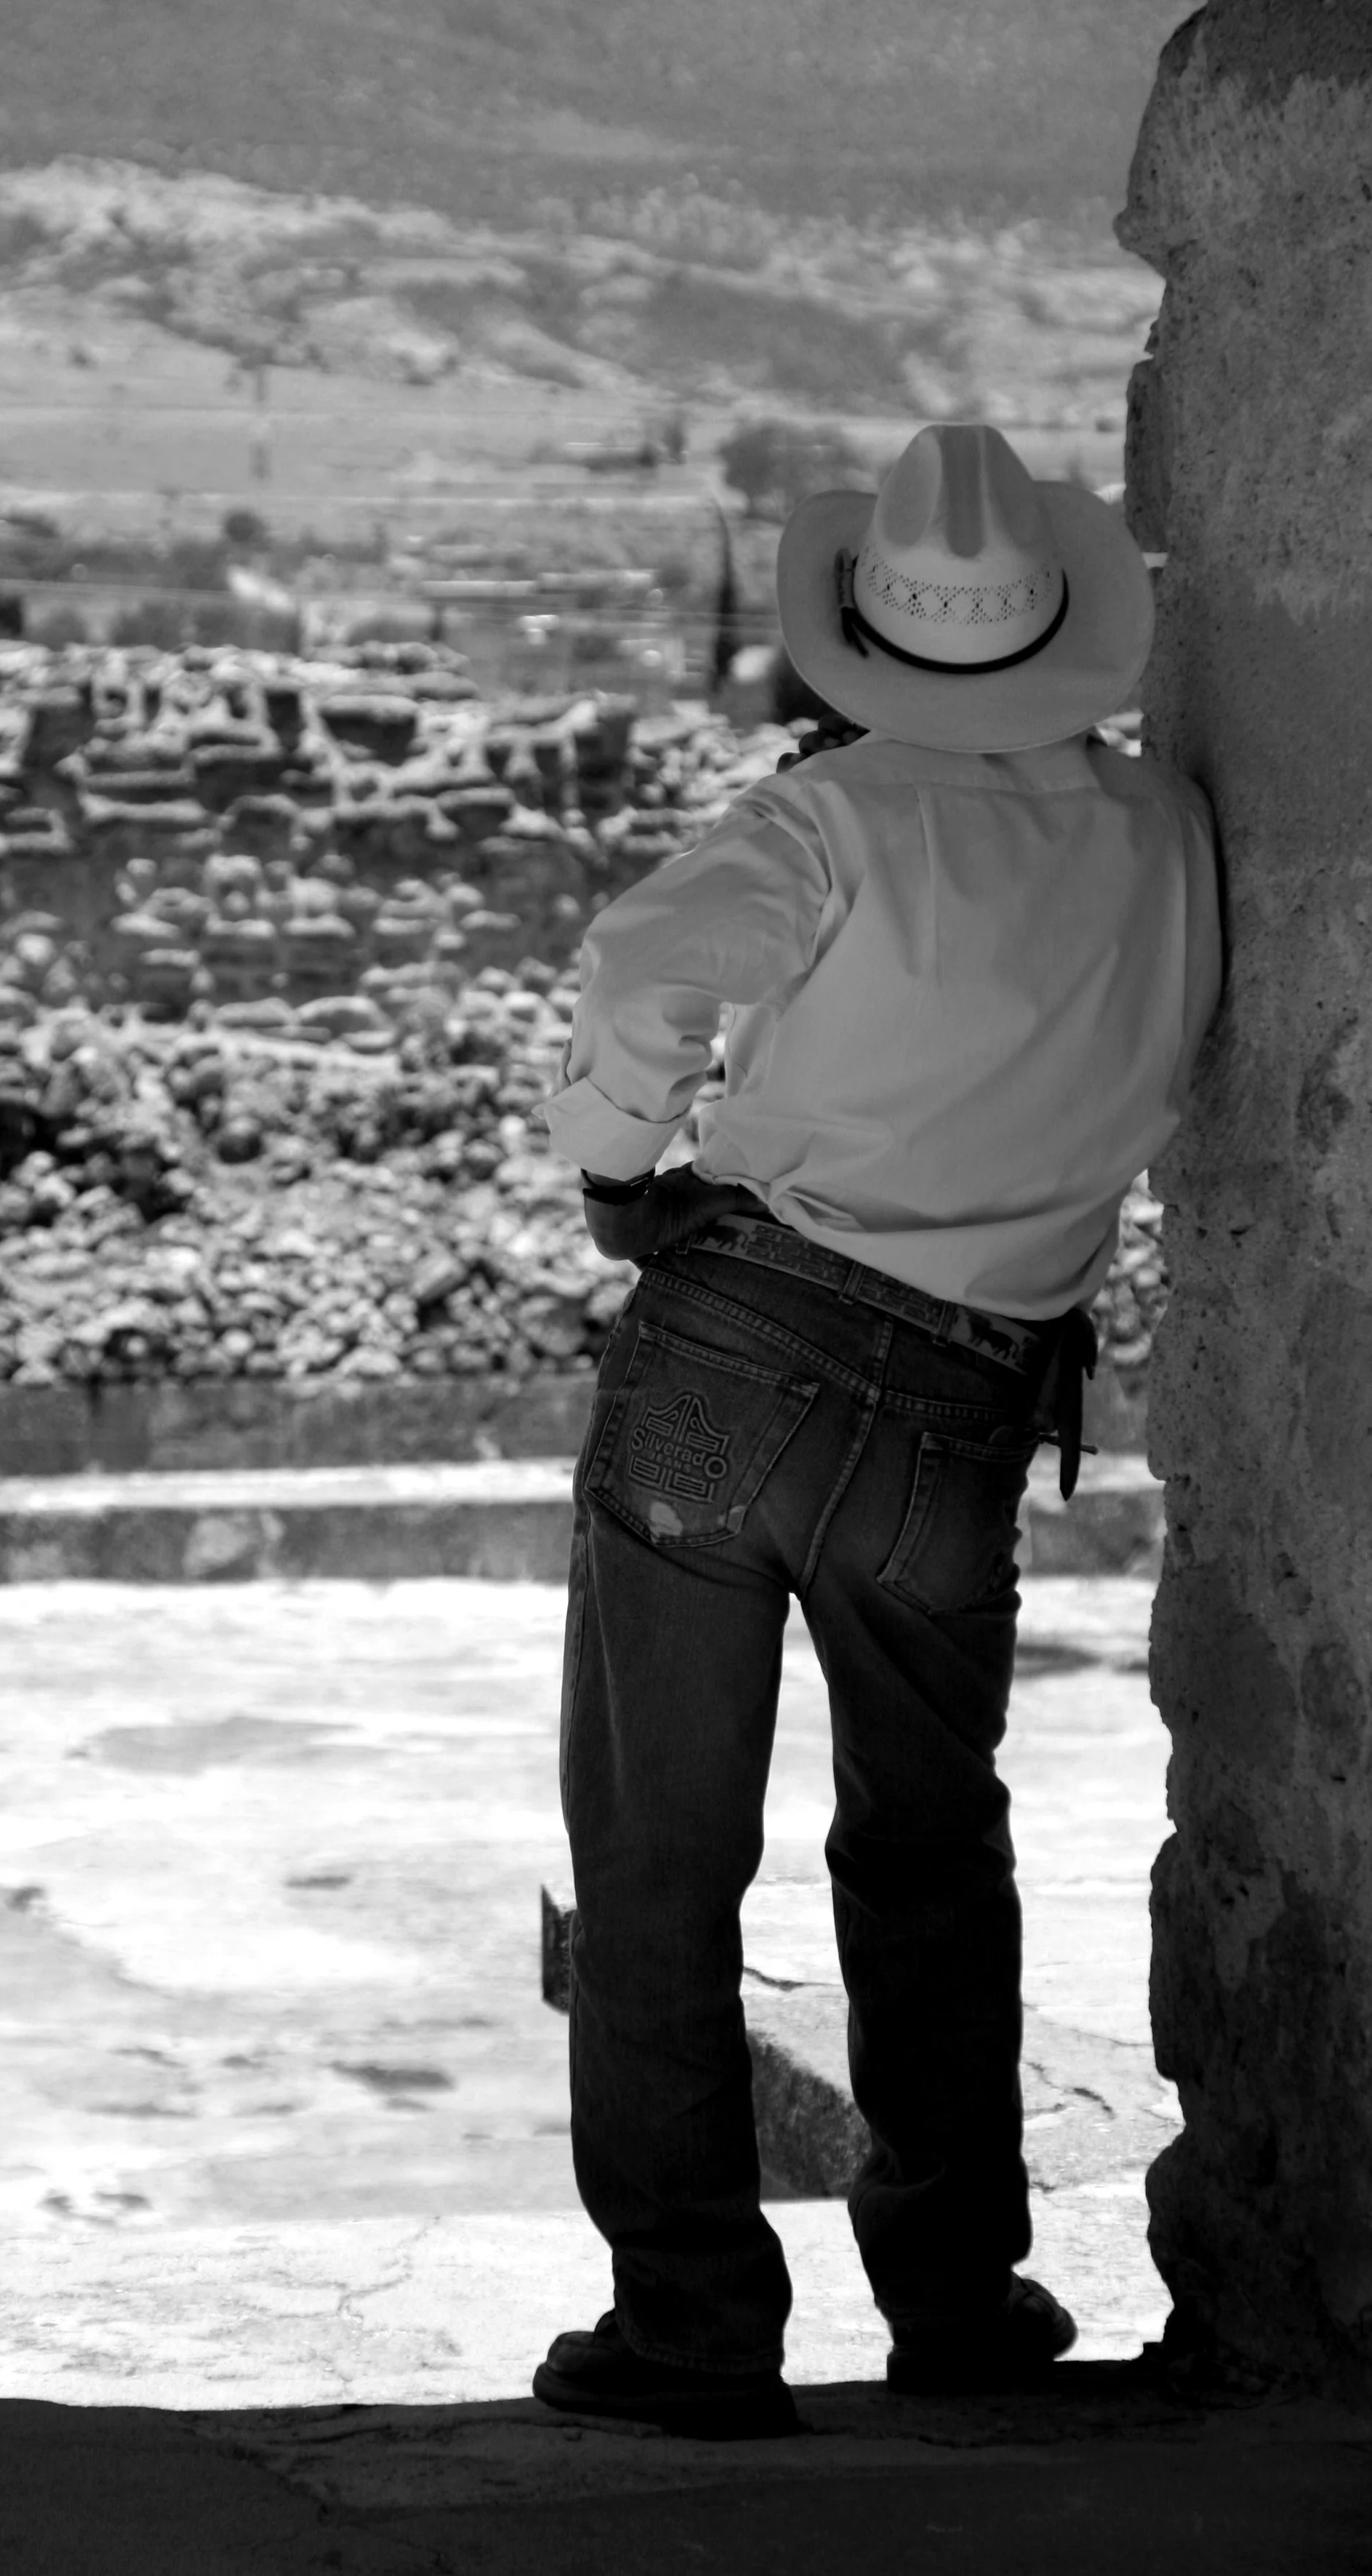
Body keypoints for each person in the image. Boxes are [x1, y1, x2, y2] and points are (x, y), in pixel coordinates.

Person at [531, 423, 1222, 2439]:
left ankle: (690, 2327)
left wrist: (619, 1169)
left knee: (657, 1853)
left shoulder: (826, 818)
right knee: (929, 1851)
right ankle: (956, 2292)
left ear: (868, 634)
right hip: (964, 1401)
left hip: (737, 1345)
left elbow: (644, 963)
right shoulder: (1166, 837)